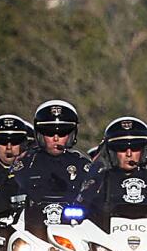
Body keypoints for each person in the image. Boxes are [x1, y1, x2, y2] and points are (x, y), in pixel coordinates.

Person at [12, 100, 98, 233]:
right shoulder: (25, 164)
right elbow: (5, 199)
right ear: (39, 134)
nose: (56, 138)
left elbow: (98, 202)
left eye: (62, 132)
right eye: (49, 132)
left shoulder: (83, 164)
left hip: (74, 234)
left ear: (71, 134)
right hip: (30, 236)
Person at [81, 118, 147, 224]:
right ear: (112, 151)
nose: (129, 154)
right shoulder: (101, 180)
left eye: (135, 147)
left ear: (144, 149)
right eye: (122, 147)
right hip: (107, 238)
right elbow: (83, 205)